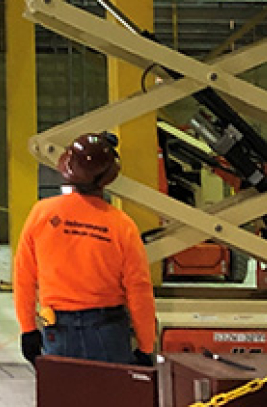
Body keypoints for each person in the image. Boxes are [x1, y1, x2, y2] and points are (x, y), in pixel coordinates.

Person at [13, 132, 156, 368]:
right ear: (108, 177)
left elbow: (24, 278)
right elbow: (139, 289)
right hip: (108, 332)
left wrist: (28, 329)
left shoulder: (42, 214)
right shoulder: (121, 225)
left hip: (57, 330)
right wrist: (145, 346)